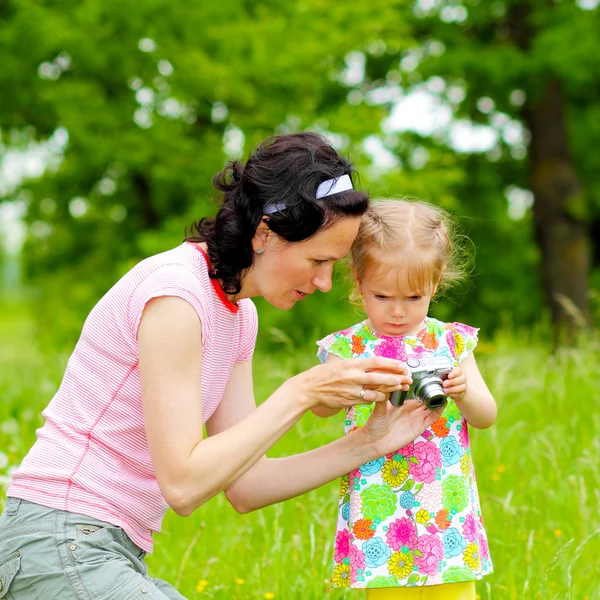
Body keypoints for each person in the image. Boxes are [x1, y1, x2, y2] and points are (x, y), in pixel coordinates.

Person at [0, 134, 442, 600]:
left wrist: (368, 444)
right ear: (266, 233)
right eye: (318, 260)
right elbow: (184, 484)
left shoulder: (238, 315)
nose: (325, 282)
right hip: (58, 537)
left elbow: (246, 487)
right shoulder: (177, 297)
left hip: (105, 548)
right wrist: (302, 392)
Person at [315, 199, 497, 599]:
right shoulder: (348, 347)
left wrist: (463, 391)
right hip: (380, 507)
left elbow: (486, 416)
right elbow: (320, 406)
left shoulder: (450, 342)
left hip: (444, 503)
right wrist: (356, 386)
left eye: (414, 298)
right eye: (382, 297)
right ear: (358, 284)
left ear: (434, 285)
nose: (398, 312)